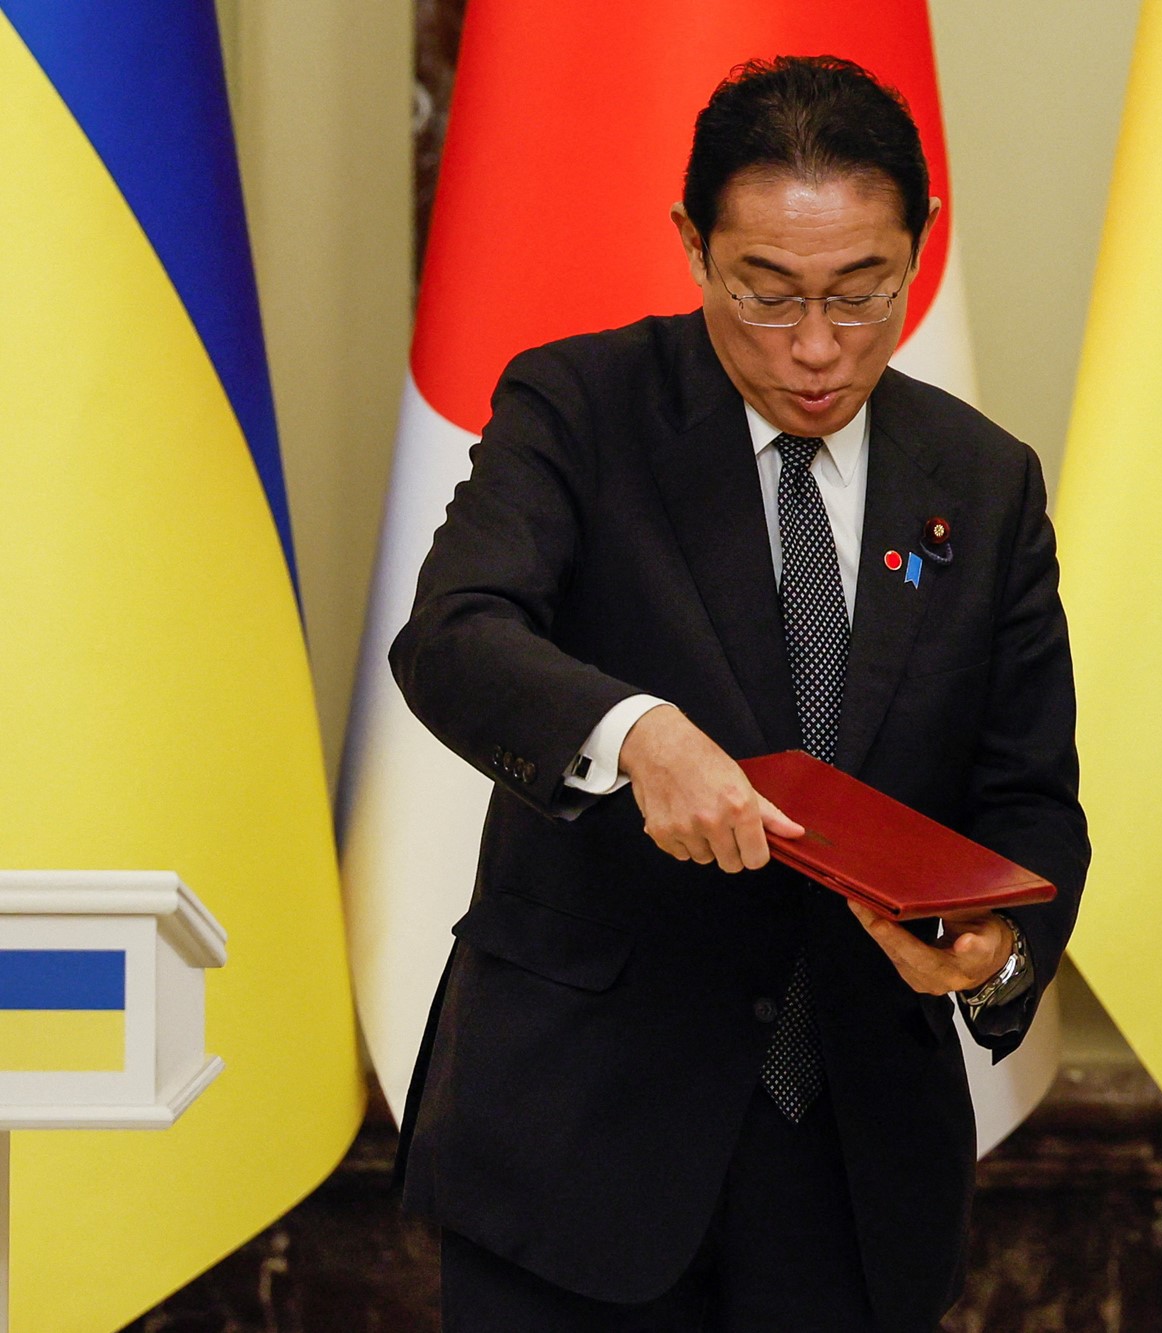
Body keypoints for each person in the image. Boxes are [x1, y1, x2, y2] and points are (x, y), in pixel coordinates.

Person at [391, 55, 1088, 1332]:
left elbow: (1027, 799)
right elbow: (453, 633)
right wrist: (630, 733)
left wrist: (997, 954)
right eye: (764, 295)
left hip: (853, 1173)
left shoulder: (981, 480)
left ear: (918, 251)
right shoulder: (581, 406)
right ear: (690, 244)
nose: (815, 349)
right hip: (581, 1153)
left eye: (862, 294)